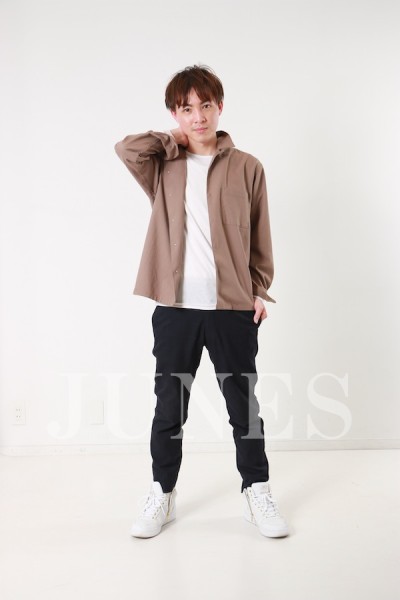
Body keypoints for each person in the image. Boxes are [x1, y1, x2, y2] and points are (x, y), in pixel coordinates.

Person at [114, 64, 289, 539]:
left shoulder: (247, 167)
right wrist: (175, 138)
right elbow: (126, 149)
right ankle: (162, 492)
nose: (198, 116)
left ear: (220, 107)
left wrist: (258, 289)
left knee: (243, 407)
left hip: (232, 308)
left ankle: (257, 491)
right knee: (169, 408)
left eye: (205, 106)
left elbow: (260, 235)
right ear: (175, 114)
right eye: (186, 108)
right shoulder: (163, 166)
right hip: (175, 309)